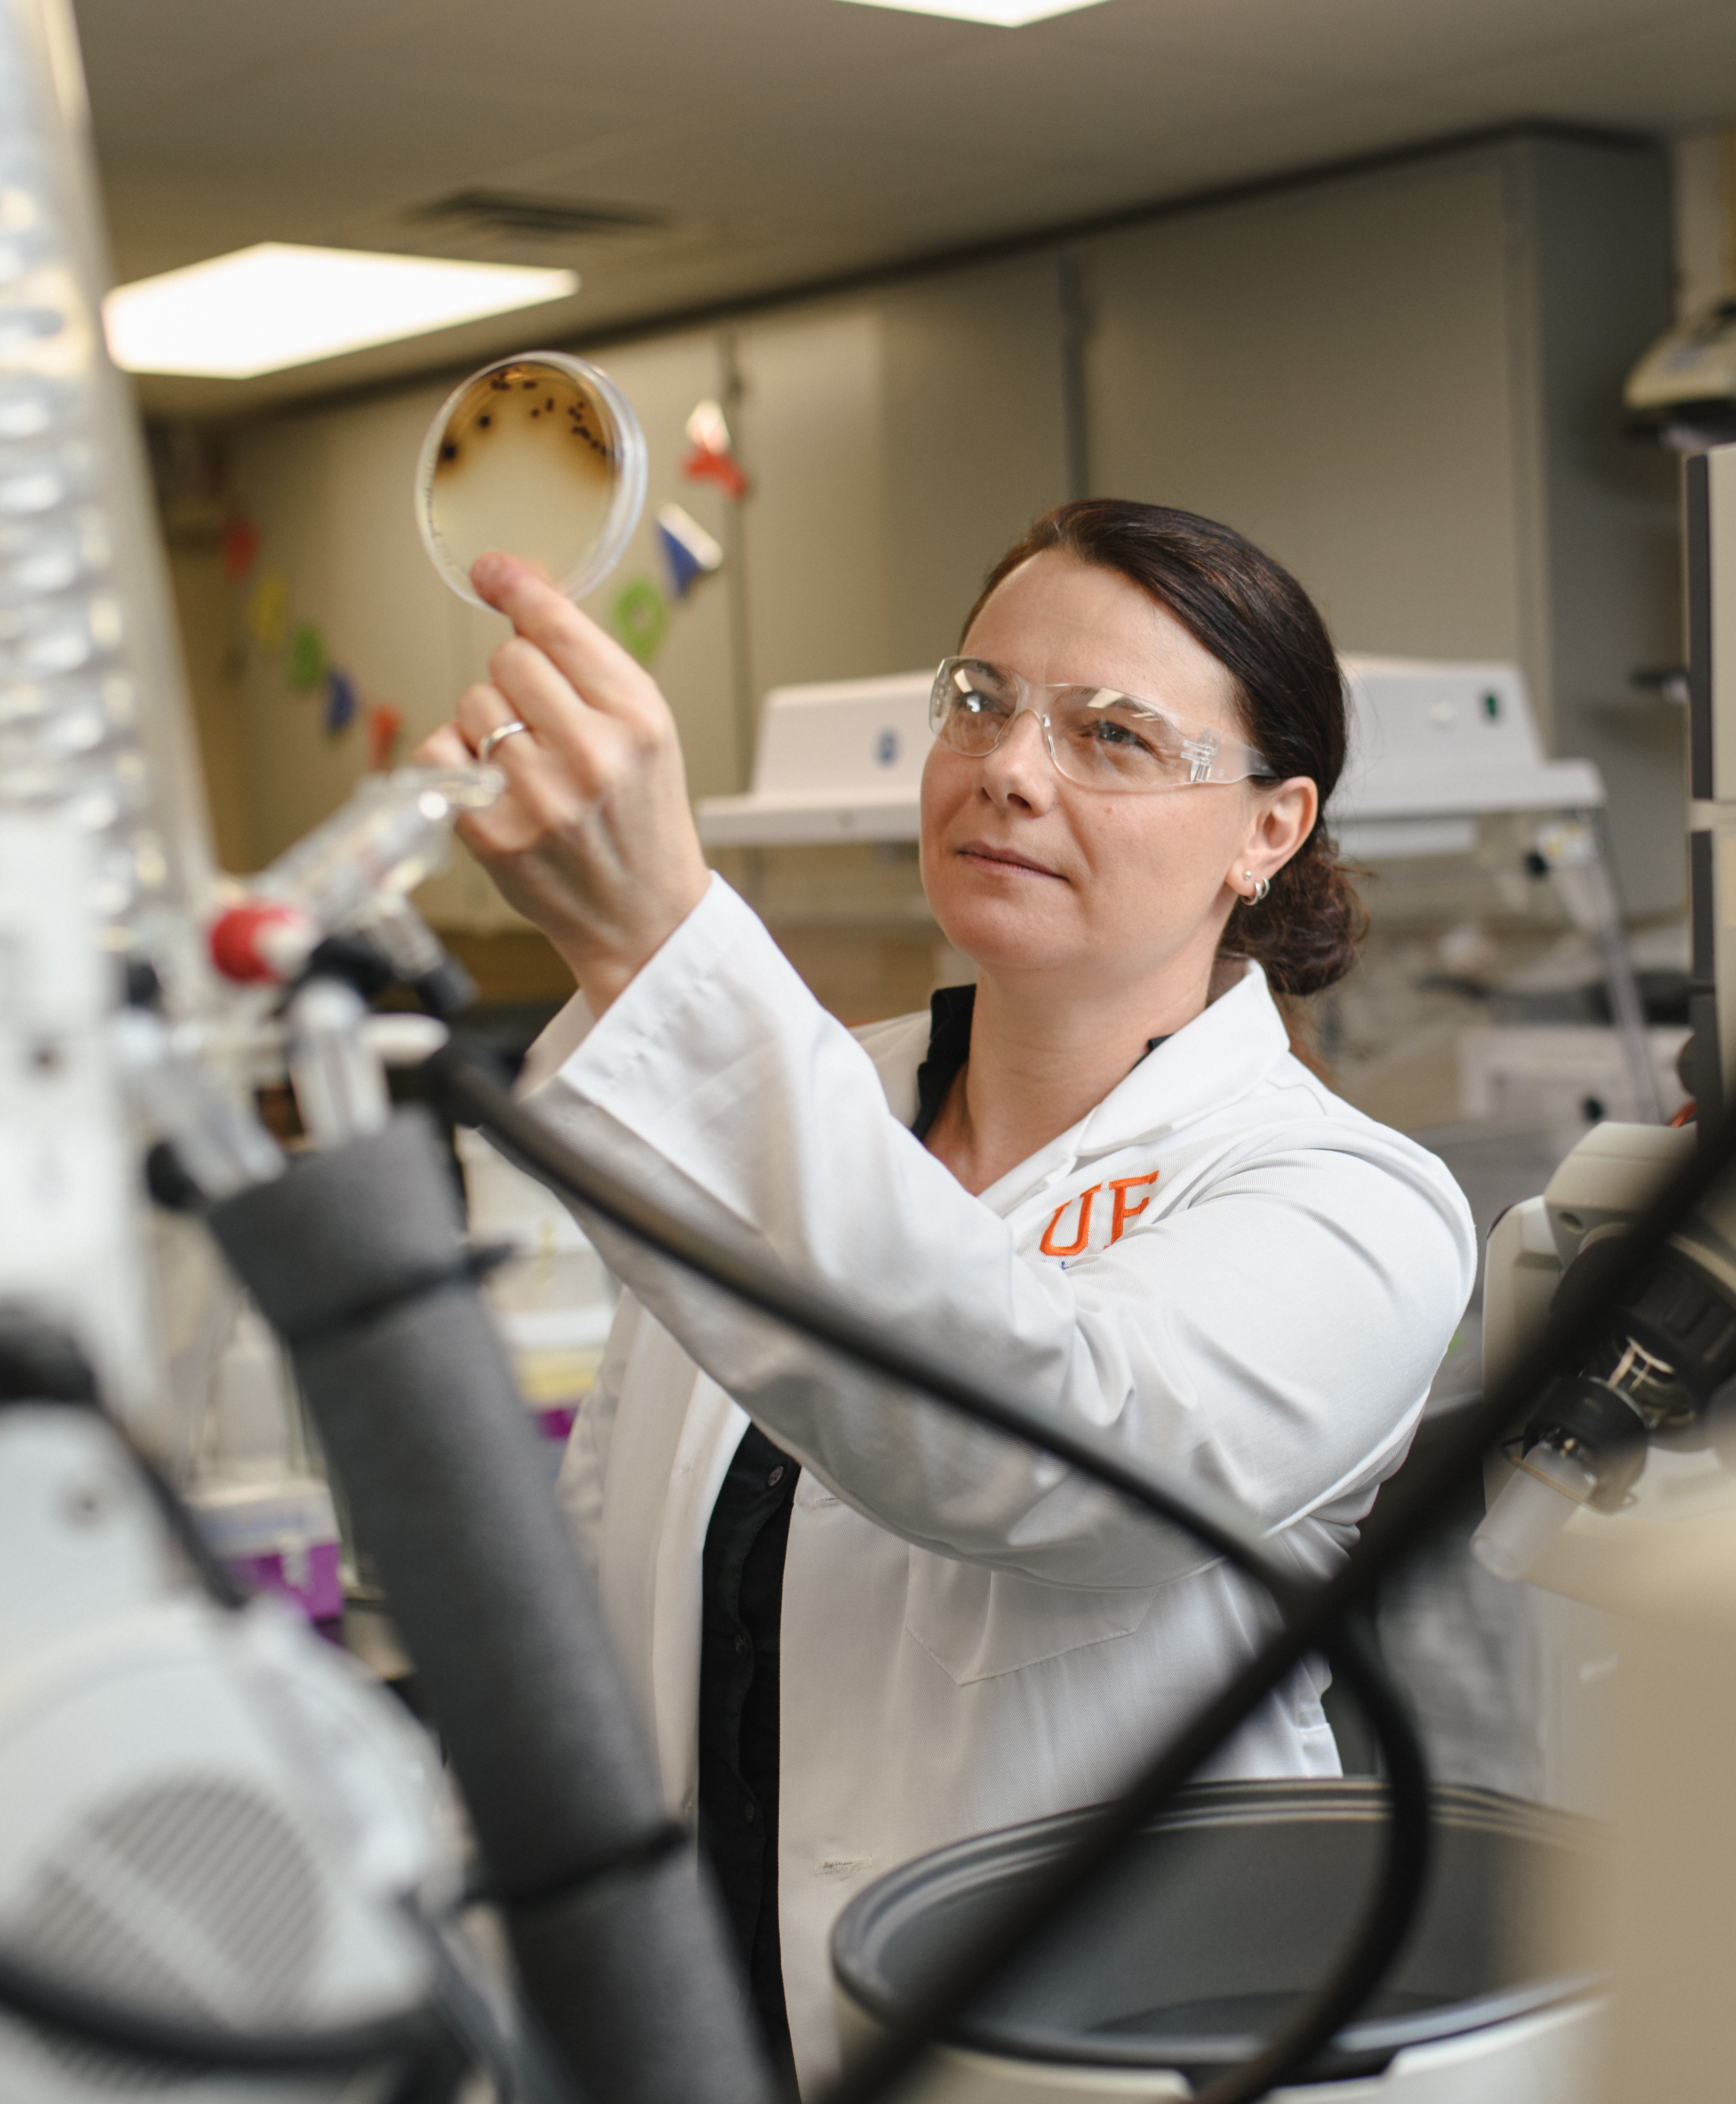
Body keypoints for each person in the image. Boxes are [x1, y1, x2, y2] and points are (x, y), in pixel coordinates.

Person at [414, 498, 1475, 2094]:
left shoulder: (1351, 1204)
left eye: (1113, 735)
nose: (1011, 768)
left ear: (1269, 827)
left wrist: (658, 947)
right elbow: (594, 1610)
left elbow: (1046, 1446)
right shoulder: (804, 1109)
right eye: (978, 701)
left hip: (1084, 2055)